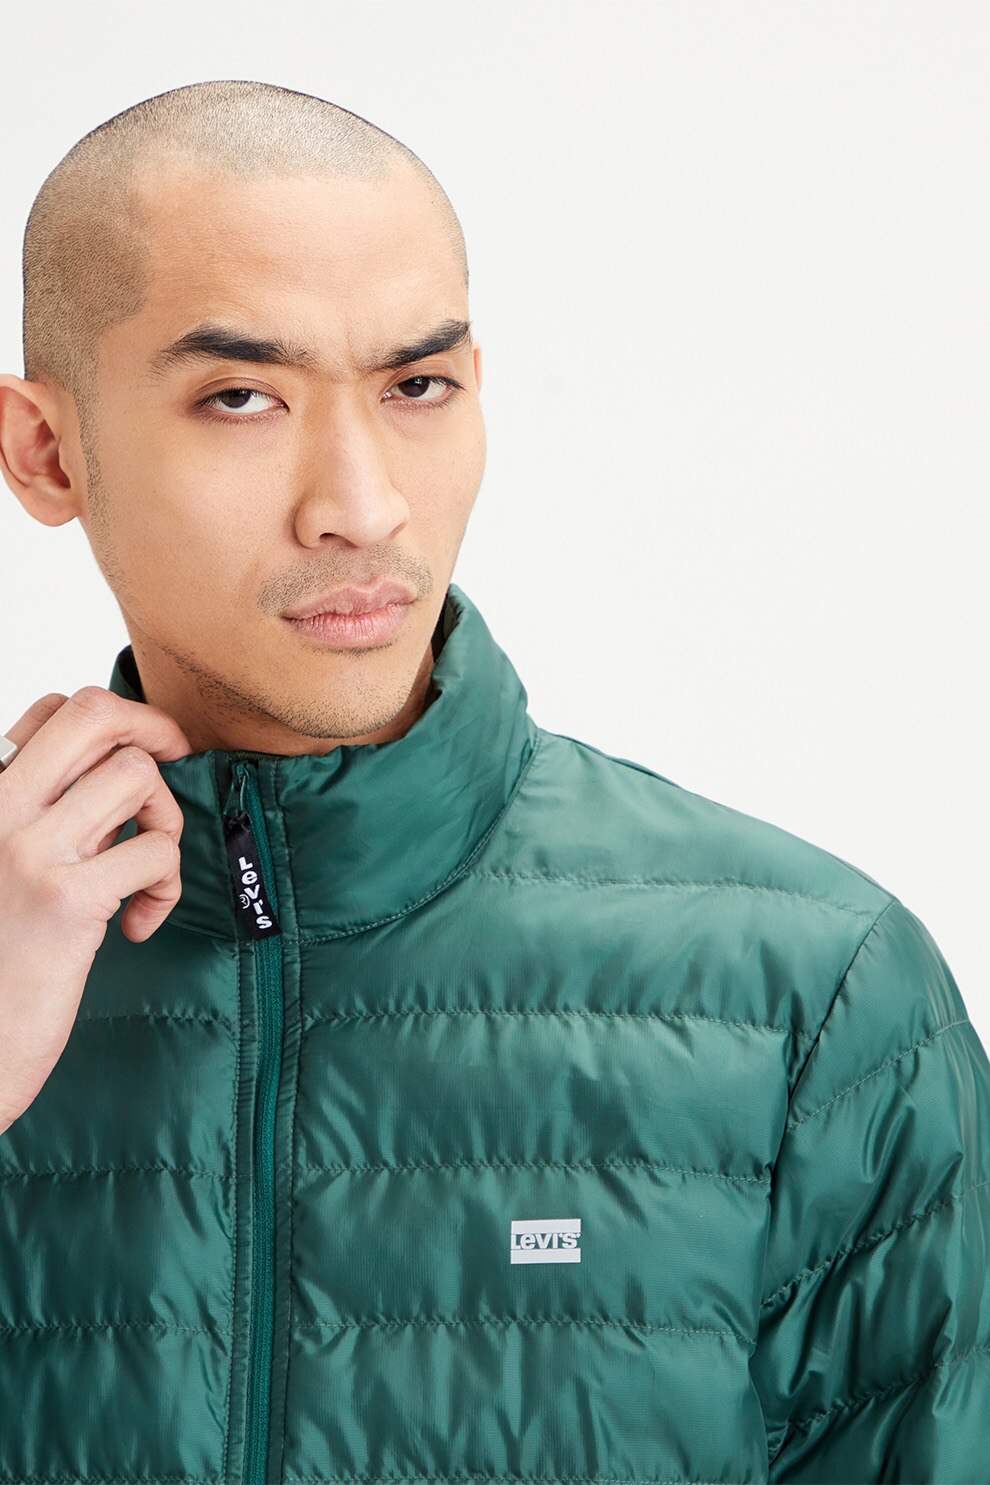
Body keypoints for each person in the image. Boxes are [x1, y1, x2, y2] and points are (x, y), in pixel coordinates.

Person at [0, 78, 986, 1485]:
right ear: (46, 451)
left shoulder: (813, 991)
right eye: (242, 397)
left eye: (417, 387)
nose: (363, 505)